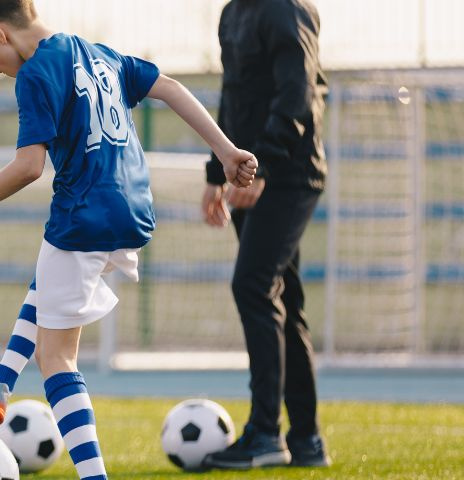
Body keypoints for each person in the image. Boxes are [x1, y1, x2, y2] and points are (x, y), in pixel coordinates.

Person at [0, 1, 256, 478]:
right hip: (132, 210)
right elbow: (171, 89)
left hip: (83, 215)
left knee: (56, 357)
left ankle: (91, 473)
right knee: (48, 283)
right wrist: (225, 150)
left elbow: (29, 166)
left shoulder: (36, 75)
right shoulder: (98, 54)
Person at [201, 0, 331, 470]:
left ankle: (265, 433)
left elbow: (299, 92)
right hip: (246, 175)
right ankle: (306, 439)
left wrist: (264, 165)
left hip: (286, 175)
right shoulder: (233, 12)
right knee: (282, 298)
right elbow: (232, 96)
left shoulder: (287, 9)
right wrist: (218, 171)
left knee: (252, 285)